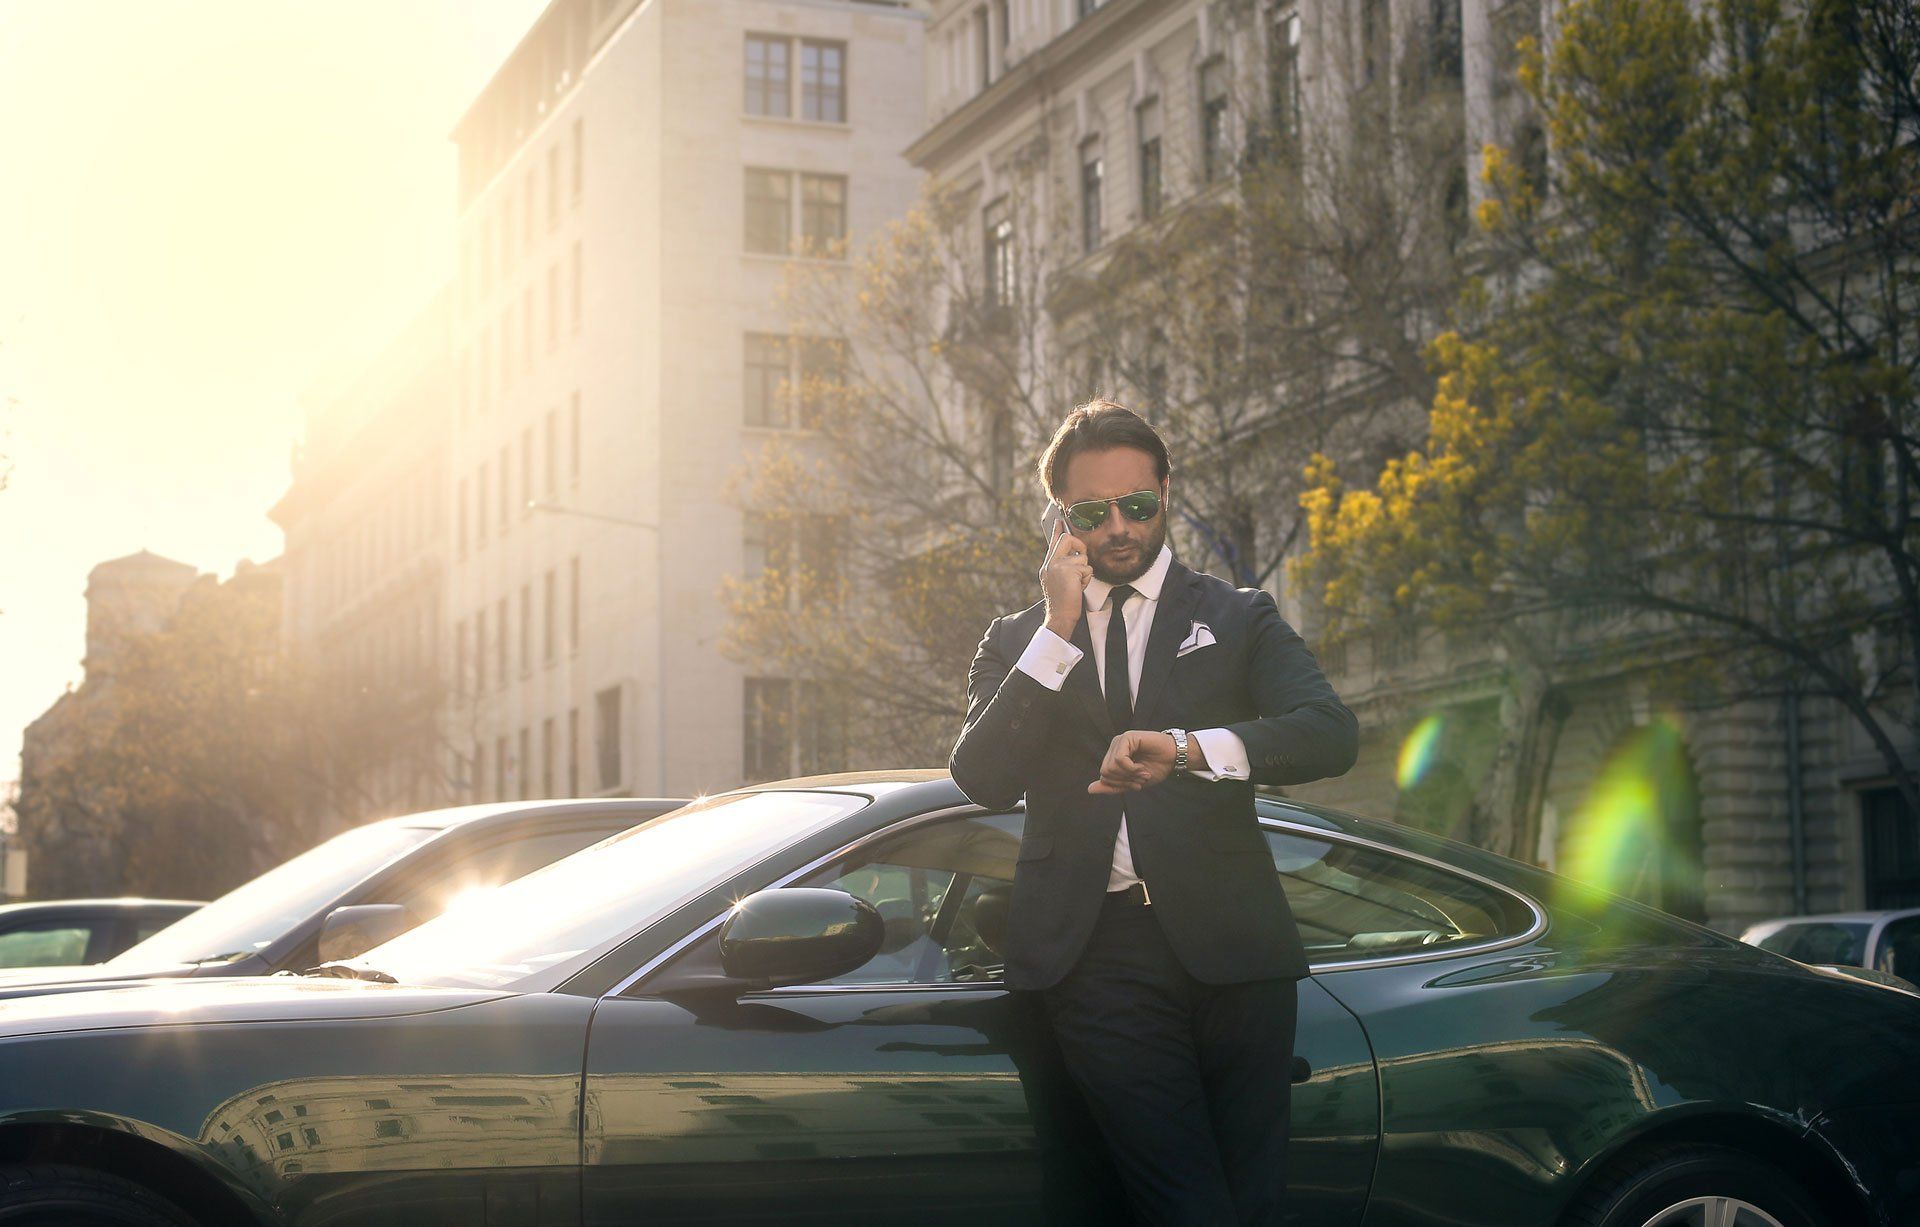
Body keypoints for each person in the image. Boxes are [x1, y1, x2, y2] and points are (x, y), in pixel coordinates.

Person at [949, 400, 1359, 1225]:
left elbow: (1329, 735)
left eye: (1137, 504)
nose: (1119, 528)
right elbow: (983, 777)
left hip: (1238, 948)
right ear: (1060, 521)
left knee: (1250, 1202)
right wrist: (1058, 627)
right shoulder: (1019, 641)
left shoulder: (1240, 616)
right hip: (1096, 955)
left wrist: (1186, 746)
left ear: (1166, 492)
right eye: (1092, 513)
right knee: (1188, 1203)